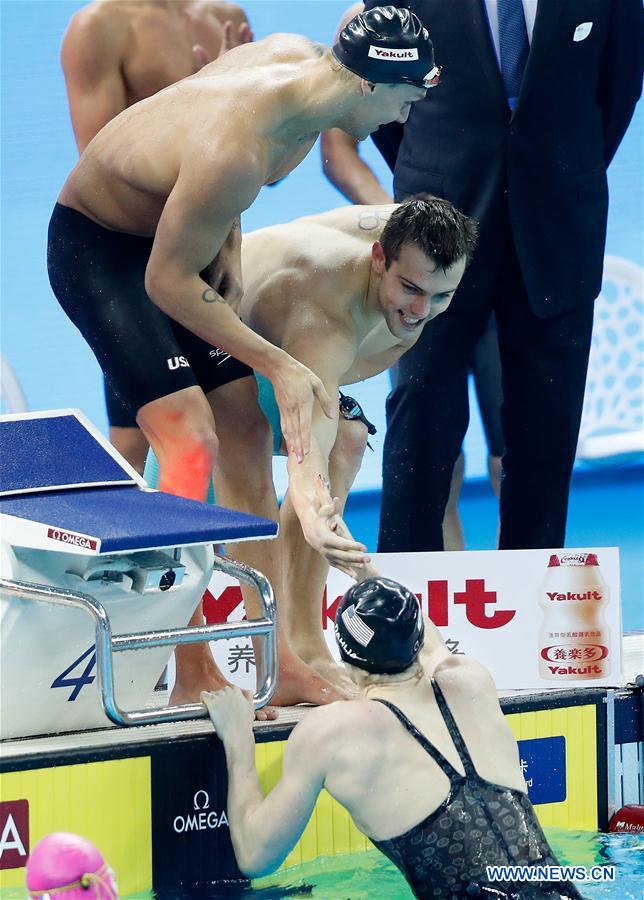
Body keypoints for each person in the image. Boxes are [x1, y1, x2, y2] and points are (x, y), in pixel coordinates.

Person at [47, 6, 438, 706]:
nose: (404, 115)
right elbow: (164, 279)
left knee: (246, 435)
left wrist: (225, 240)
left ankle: (276, 659)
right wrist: (281, 365)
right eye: (405, 99)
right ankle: (187, 665)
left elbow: (204, 162)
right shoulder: (239, 148)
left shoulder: (300, 62)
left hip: (180, 238)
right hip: (102, 252)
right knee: (190, 440)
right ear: (367, 86)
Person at [144, 194, 476, 688]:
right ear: (378, 261)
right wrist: (315, 503)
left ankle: (304, 644)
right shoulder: (327, 316)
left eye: (441, 297)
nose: (421, 311)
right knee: (188, 500)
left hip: (270, 355)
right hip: (196, 342)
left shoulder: (413, 237)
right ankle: (207, 663)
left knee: (349, 437)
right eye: (409, 289)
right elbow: (308, 444)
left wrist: (316, 502)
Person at [354, 0, 644, 554]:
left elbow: (619, 89)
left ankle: (536, 599)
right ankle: (405, 604)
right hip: (437, 219)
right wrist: (439, 171)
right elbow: (384, 100)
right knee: (420, 419)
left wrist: (558, 171)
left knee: (545, 429)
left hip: (558, 222)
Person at [202, 572, 583, 899]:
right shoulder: (472, 683)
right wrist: (363, 568)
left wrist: (238, 739)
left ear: (344, 657)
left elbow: (255, 857)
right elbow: (430, 646)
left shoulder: (332, 733)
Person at [321, 1, 504, 551]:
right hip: (420, 271)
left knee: (510, 441)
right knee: (429, 440)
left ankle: (516, 587)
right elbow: (339, 147)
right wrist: (404, 225)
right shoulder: (373, 19)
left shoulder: (509, 23)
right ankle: (441, 589)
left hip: (506, 253)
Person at [61, 0, 254, 474]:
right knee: (140, 440)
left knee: (243, 431)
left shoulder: (222, 17)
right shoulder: (100, 27)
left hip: (202, 251)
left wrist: (238, 106)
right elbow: (104, 168)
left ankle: (232, 551)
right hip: (125, 257)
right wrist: (207, 107)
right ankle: (123, 548)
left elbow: (261, 165)